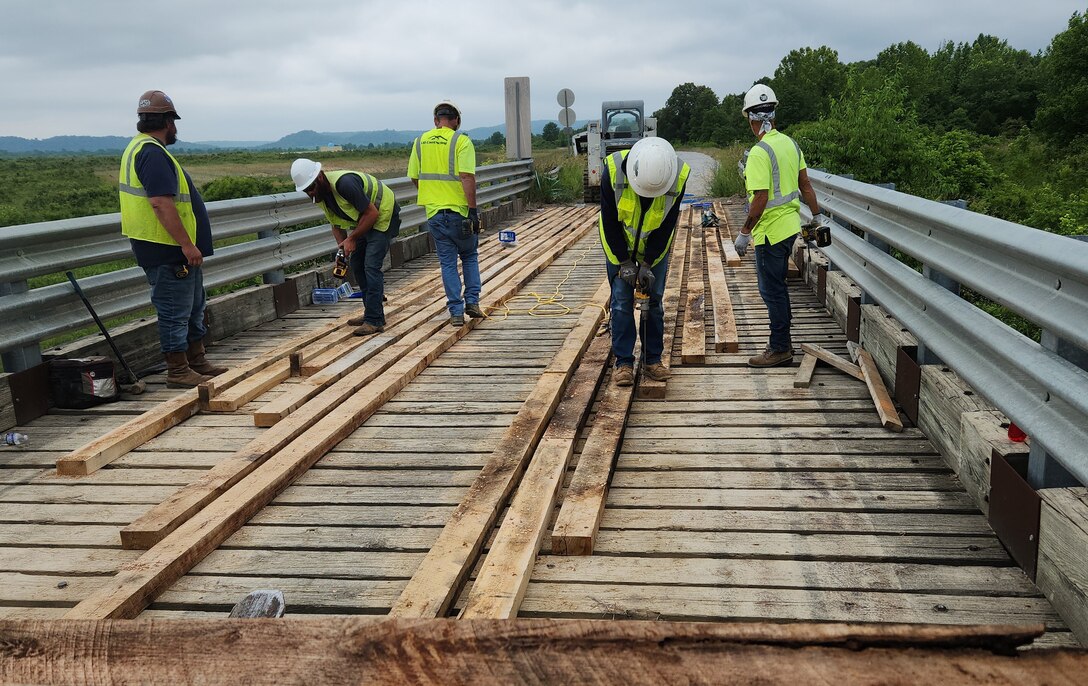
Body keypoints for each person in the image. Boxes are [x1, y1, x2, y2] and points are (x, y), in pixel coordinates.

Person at [119, 90, 227, 388]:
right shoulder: (151, 153)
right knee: (174, 310)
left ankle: (197, 360)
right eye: (173, 121)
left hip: (171, 249)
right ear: (168, 121)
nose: (175, 128)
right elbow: (161, 203)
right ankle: (178, 371)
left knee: (192, 307)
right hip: (166, 249)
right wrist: (186, 244)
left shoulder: (143, 148)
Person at [735, 84, 825, 368]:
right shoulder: (790, 144)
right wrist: (817, 216)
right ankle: (781, 342)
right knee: (779, 288)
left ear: (752, 118)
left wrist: (743, 233)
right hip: (790, 228)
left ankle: (779, 348)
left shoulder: (760, 152)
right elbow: (805, 185)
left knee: (772, 291)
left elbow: (760, 198)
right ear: (773, 116)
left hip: (770, 233)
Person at [600, 137, 690, 387]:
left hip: (654, 248)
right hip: (618, 245)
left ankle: (652, 360)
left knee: (654, 301)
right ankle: (624, 363)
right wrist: (624, 262)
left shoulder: (677, 176)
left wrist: (648, 263)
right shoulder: (612, 170)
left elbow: (666, 226)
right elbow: (609, 221)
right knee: (621, 303)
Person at [290, 159, 401, 335]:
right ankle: (371, 312)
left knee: (371, 266)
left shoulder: (345, 184)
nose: (310, 193)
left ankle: (375, 320)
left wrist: (353, 238)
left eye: (311, 187)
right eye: (306, 191)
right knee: (357, 264)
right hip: (364, 220)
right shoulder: (319, 196)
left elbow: (372, 213)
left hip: (383, 214)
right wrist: (342, 249)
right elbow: (336, 225)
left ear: (320, 177)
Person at [407, 100, 482, 327]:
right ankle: (472, 302)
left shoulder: (420, 142)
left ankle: (456, 313)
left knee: (447, 263)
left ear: (435, 121)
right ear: (457, 121)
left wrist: (432, 196)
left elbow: (414, 176)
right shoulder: (462, 141)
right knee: (469, 256)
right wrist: (473, 211)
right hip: (459, 211)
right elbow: (467, 177)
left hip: (435, 214)